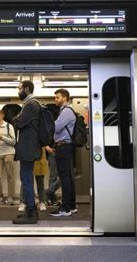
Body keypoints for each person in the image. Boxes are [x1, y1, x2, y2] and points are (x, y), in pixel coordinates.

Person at [12, 80, 41, 224]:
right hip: (29, 147)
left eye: (19, 88)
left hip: (28, 148)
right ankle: (31, 210)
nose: (18, 91)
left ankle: (30, 212)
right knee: (26, 178)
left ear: (27, 89)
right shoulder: (30, 105)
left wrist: (16, 118)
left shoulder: (31, 105)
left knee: (26, 179)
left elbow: (18, 122)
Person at [47, 88, 77, 217]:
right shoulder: (65, 111)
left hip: (63, 147)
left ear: (64, 98)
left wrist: (49, 125)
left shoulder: (66, 112)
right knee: (68, 177)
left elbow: (56, 127)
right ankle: (71, 205)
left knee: (65, 178)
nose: (55, 100)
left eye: (57, 97)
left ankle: (65, 208)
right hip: (65, 147)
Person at [19, 147, 49, 212]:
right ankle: (23, 202)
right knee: (26, 180)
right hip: (27, 153)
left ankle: (42, 201)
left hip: (39, 153)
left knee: (40, 180)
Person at [45, 104, 61, 206]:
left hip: (52, 149)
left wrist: (46, 146)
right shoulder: (54, 121)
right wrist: (46, 146)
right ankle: (51, 197)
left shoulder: (49, 122)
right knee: (61, 176)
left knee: (53, 176)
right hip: (55, 149)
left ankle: (49, 194)